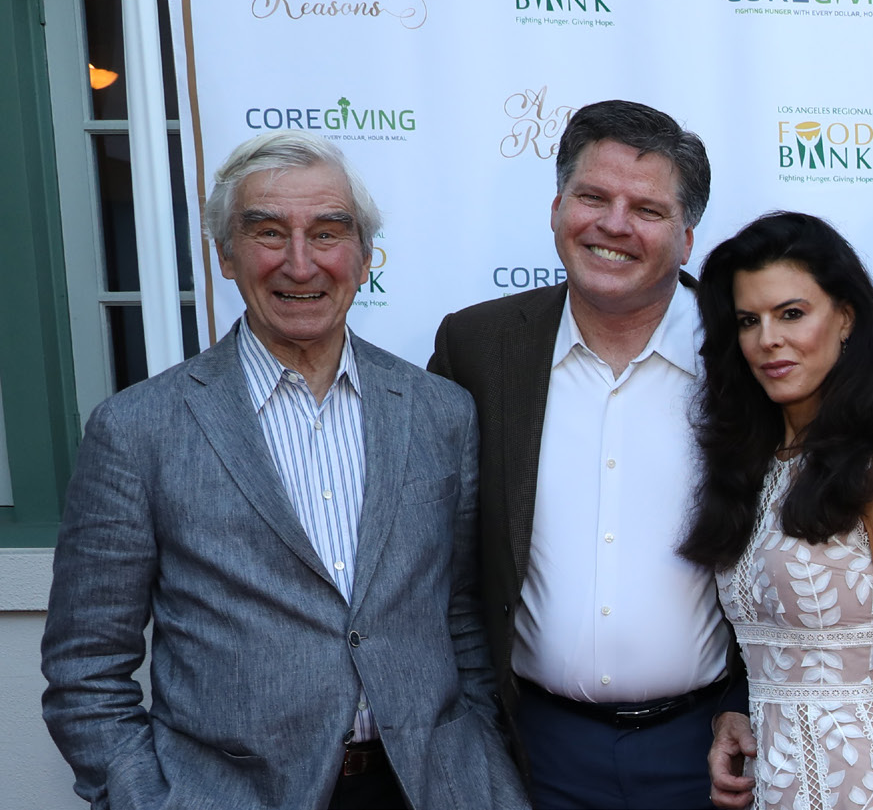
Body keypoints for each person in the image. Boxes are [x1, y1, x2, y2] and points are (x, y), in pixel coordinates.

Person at [41, 130, 526, 810]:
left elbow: (461, 620)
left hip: (429, 788)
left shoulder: (439, 411)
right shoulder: (137, 429)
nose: (301, 263)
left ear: (362, 257)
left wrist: (483, 764)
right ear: (226, 256)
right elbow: (84, 666)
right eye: (269, 232)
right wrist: (145, 797)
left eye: (328, 232)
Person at [427, 99, 751, 809]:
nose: (613, 225)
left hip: (708, 749)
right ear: (555, 207)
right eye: (593, 197)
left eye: (647, 208)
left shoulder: (751, 357)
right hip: (529, 746)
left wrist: (746, 703)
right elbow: (434, 555)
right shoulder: (477, 349)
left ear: (688, 236)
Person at [678, 212, 873, 810]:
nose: (768, 338)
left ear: (845, 318)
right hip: (771, 788)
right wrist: (732, 715)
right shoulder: (745, 466)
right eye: (749, 321)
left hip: (867, 785)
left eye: (792, 313)